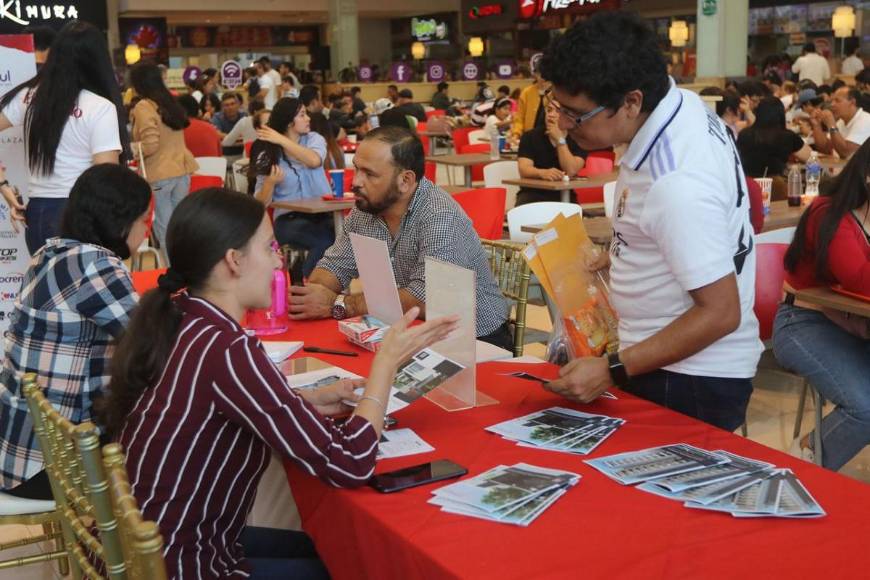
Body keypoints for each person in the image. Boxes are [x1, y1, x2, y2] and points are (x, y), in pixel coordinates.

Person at [99, 187, 457, 579]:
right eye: (269, 247)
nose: (278, 261)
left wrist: (311, 399)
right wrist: (384, 366)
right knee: (353, 564)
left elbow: (228, 407)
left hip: (157, 548)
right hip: (188, 565)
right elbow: (351, 462)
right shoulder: (228, 348)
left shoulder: (183, 318)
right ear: (233, 261)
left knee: (334, 550)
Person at [539, 12, 762, 432]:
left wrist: (611, 370)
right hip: (669, 363)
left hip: (688, 377)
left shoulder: (676, 182)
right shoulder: (682, 106)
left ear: (632, 101)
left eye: (576, 115)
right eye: (558, 108)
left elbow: (719, 313)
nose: (565, 127)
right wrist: (625, 252)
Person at [0, 164, 150, 499]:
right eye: (144, 219)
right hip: (51, 464)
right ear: (121, 221)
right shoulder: (96, 264)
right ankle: (126, 549)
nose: (145, 230)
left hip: (17, 452)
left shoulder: (48, 253)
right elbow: (151, 345)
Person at [288, 126, 512, 349]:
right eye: (356, 169)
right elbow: (335, 265)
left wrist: (340, 304)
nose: (355, 182)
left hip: (474, 339)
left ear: (405, 180)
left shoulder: (439, 216)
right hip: (408, 330)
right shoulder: (366, 209)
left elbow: (425, 298)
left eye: (369, 174)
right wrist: (315, 293)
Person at [773, 139, 870, 471]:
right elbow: (860, 278)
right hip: (804, 322)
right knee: (866, 409)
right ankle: (809, 458)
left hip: (855, 323)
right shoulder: (829, 211)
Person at [0, 21, 128, 254]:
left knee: (47, 288)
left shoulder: (28, 96)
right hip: (78, 215)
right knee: (83, 289)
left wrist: (4, 187)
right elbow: (106, 178)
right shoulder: (100, 107)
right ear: (97, 60)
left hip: (37, 214)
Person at [250, 98, 333, 277]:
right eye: (302, 115)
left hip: (323, 214)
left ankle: (310, 283)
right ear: (289, 121)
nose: (308, 118)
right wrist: (270, 183)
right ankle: (307, 282)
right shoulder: (267, 152)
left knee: (344, 237)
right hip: (289, 220)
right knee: (325, 240)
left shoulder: (314, 140)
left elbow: (313, 161)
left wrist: (281, 139)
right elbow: (260, 203)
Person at [129, 62, 198, 262]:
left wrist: (131, 148)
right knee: (181, 227)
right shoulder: (170, 102)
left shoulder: (144, 106)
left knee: (165, 228)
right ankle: (188, 271)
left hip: (159, 174)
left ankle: (174, 274)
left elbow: (150, 145)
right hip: (182, 171)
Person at [516, 102, 587, 206]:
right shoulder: (530, 136)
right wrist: (542, 173)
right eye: (549, 110)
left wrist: (559, 140)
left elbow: (571, 170)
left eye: (557, 111)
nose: (551, 114)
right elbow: (524, 169)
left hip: (565, 194)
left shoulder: (579, 139)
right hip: (532, 194)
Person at [737, 96, 811, 178]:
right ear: (781, 114)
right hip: (777, 185)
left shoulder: (743, 134)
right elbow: (811, 158)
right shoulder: (787, 136)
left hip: (748, 184)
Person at [810, 86, 870, 158]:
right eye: (832, 101)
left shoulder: (865, 120)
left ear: (852, 102)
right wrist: (816, 125)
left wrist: (831, 124)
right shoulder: (841, 121)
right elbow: (825, 148)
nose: (832, 104)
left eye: (837, 101)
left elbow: (846, 153)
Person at [510, 58, 550, 142]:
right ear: (535, 74)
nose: (543, 78)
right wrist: (516, 134)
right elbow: (519, 118)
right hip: (529, 138)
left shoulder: (557, 93)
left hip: (550, 138)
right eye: (540, 74)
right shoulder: (526, 93)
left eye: (547, 74)